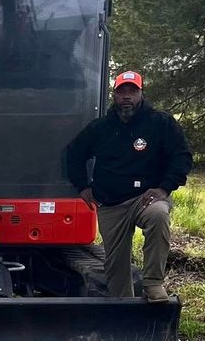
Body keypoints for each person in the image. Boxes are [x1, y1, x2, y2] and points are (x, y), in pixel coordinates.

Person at [64, 70, 192, 302]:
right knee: (115, 263)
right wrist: (83, 187)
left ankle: (153, 283)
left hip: (147, 198)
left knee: (159, 217)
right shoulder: (100, 128)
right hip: (111, 203)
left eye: (132, 91)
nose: (127, 96)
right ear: (114, 94)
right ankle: (124, 309)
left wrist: (164, 188)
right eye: (122, 91)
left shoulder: (160, 123)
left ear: (141, 93)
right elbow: (73, 154)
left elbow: (181, 157)